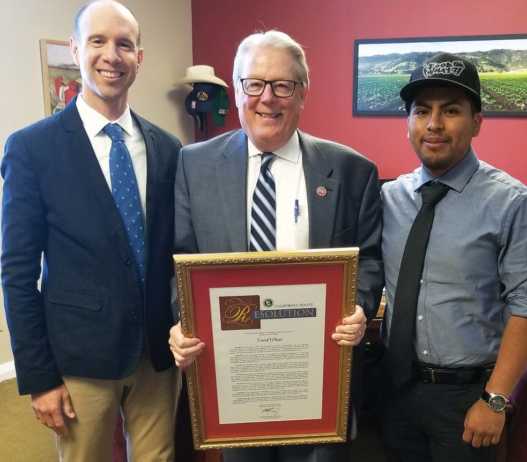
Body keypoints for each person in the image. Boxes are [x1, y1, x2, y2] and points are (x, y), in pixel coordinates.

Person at [168, 30, 383, 462]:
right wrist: (182, 321)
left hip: (315, 379)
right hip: (234, 379)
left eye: (283, 85)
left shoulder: (352, 170)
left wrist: (358, 308)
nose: (267, 98)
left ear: (303, 93)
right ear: (237, 89)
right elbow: (181, 260)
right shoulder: (194, 164)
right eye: (254, 84)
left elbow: (370, 259)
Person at [1, 1, 181, 461]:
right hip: (79, 360)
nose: (111, 55)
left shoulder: (167, 149)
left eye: (125, 44)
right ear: (75, 49)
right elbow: (17, 273)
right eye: (98, 41)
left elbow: (178, 253)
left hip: (157, 357)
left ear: (139, 57)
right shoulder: (32, 149)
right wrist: (39, 377)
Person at [381, 52, 527, 462]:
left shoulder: (513, 203)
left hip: (468, 400)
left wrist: (495, 400)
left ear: (477, 122)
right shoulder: (389, 198)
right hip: (395, 392)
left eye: (450, 111)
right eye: (421, 111)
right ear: (408, 122)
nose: (434, 124)